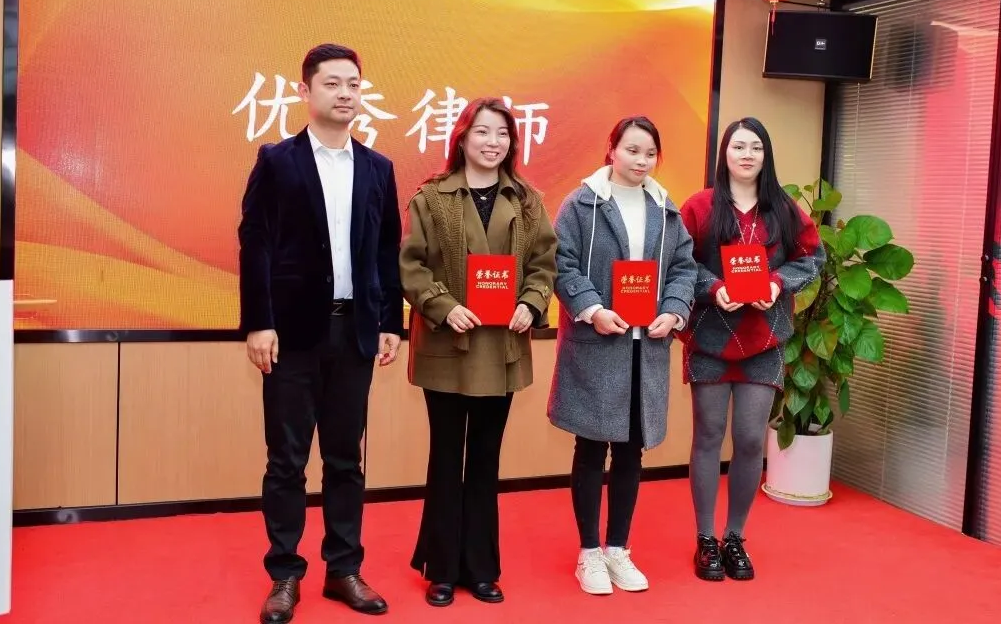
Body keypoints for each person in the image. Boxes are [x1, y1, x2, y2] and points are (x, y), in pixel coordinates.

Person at [238, 43, 404, 623]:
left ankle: (343, 569)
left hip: (353, 333)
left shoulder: (378, 168)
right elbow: (255, 243)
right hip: (291, 335)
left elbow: (386, 249)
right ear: (305, 91)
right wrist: (259, 321)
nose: (345, 94)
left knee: (345, 459)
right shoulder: (277, 161)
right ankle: (285, 574)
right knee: (286, 460)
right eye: (332, 83)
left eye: (353, 84)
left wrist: (390, 321)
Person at [399, 97, 558, 607]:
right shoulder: (431, 197)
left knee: (486, 460)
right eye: (483, 132)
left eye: (503, 134)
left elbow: (545, 264)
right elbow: (411, 265)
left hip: (501, 345)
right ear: (463, 138)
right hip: (446, 344)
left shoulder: (529, 201)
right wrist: (443, 307)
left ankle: (482, 568)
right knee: (446, 457)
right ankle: (442, 569)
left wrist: (532, 303)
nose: (493, 142)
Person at [547, 116, 697, 595]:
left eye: (650, 153)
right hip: (599, 343)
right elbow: (561, 263)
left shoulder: (665, 209)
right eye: (632, 150)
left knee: (632, 451)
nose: (641, 161)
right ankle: (589, 553)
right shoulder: (582, 203)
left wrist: (674, 311)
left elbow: (684, 268)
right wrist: (592, 309)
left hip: (645, 346)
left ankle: (618, 549)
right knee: (592, 448)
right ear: (611, 149)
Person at [678, 117, 824, 582]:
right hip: (710, 338)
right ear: (724, 153)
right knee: (707, 436)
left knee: (747, 439)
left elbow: (813, 258)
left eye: (755, 147)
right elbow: (679, 263)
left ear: (766, 155)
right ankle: (706, 539)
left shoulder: (783, 208)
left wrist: (778, 283)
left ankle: (735, 537)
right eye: (738, 146)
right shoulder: (700, 206)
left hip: (764, 338)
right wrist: (713, 287)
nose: (746, 154)